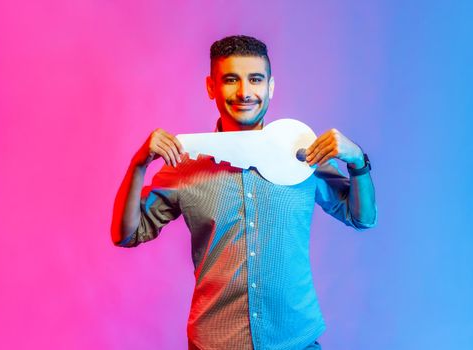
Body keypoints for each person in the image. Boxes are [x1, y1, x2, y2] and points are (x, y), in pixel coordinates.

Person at [111, 35, 377, 350]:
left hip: (295, 342)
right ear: (211, 87)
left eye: (255, 80)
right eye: (231, 80)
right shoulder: (185, 165)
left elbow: (363, 218)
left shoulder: (304, 155)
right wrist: (139, 164)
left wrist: (358, 161)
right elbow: (126, 235)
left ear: (270, 87)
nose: (244, 92)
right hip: (216, 343)